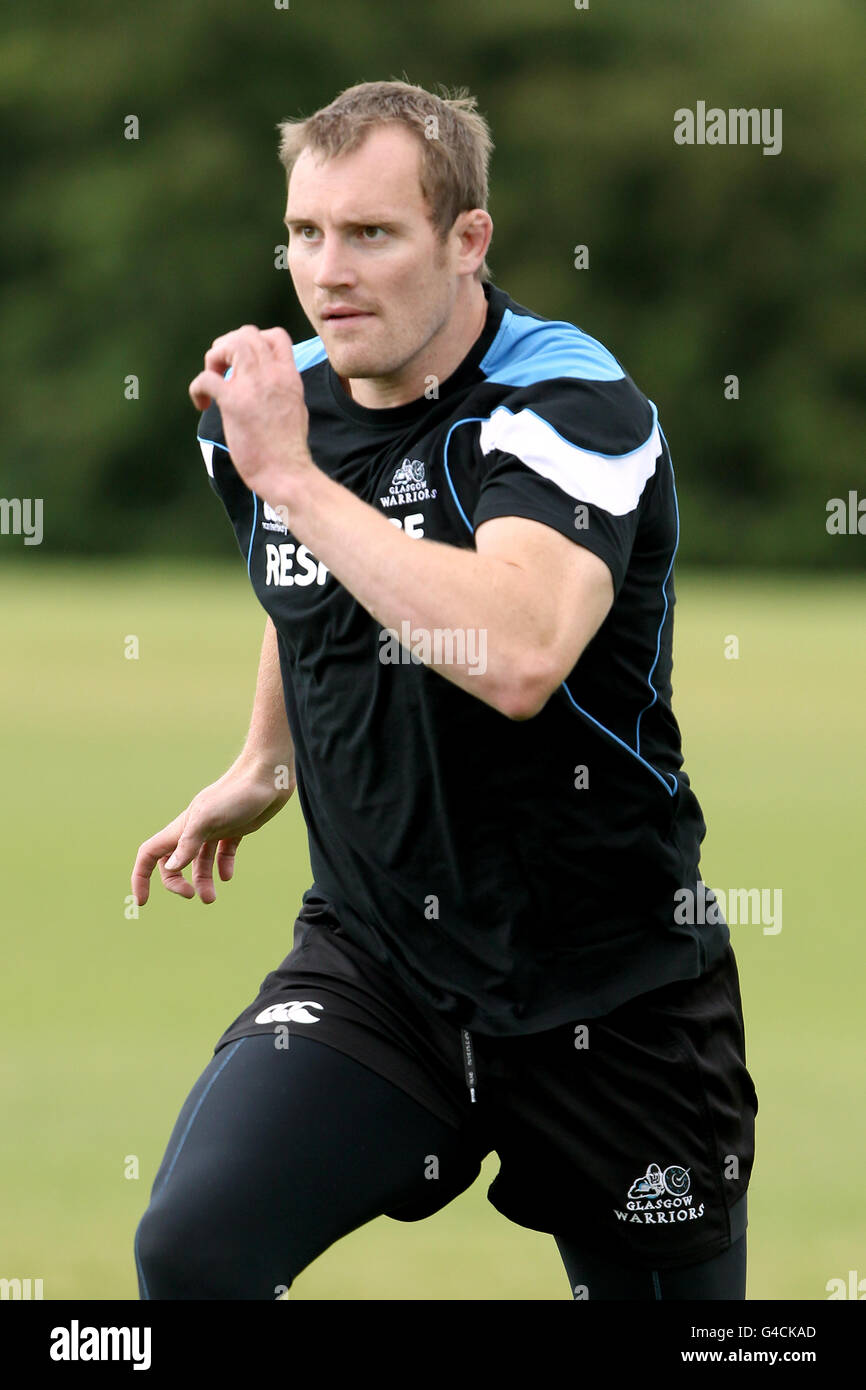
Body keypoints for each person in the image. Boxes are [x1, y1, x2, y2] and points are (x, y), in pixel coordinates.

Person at [131, 79, 757, 1301]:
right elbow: (304, 588)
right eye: (306, 234)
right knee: (193, 1254)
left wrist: (297, 479)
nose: (328, 271)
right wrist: (264, 763)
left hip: (609, 988)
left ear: (466, 240)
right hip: (381, 968)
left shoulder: (565, 405)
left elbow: (518, 656)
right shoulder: (268, 415)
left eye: (372, 234)